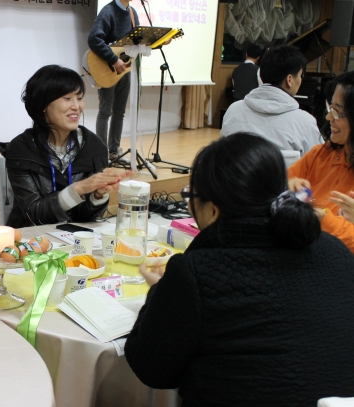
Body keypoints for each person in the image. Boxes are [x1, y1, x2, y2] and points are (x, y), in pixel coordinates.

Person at [125, 133, 354, 406]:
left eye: (191, 196)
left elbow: (151, 369)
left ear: (213, 211)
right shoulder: (336, 251)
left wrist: (160, 293)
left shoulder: (196, 273)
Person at [2, 65, 125, 228]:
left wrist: (96, 196)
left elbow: (86, 219)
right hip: (32, 237)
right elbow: (33, 214)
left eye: (79, 98)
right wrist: (78, 189)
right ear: (43, 104)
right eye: (67, 98)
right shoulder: (22, 150)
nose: (76, 106)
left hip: (73, 236)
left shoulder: (93, 146)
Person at [289, 70, 354, 253]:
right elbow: (282, 189)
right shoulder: (320, 154)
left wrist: (324, 221)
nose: (328, 117)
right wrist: (291, 188)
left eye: (338, 112)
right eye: (330, 107)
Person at [221, 44, 322, 155]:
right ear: (289, 80)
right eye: (300, 75)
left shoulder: (233, 110)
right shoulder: (305, 122)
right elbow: (317, 161)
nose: (300, 80)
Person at [88, 0, 139, 164]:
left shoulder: (132, 13)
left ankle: (114, 151)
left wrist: (158, 42)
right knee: (105, 110)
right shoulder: (108, 11)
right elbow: (94, 38)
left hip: (126, 69)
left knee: (119, 111)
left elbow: (137, 41)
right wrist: (113, 59)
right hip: (107, 68)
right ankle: (101, 153)